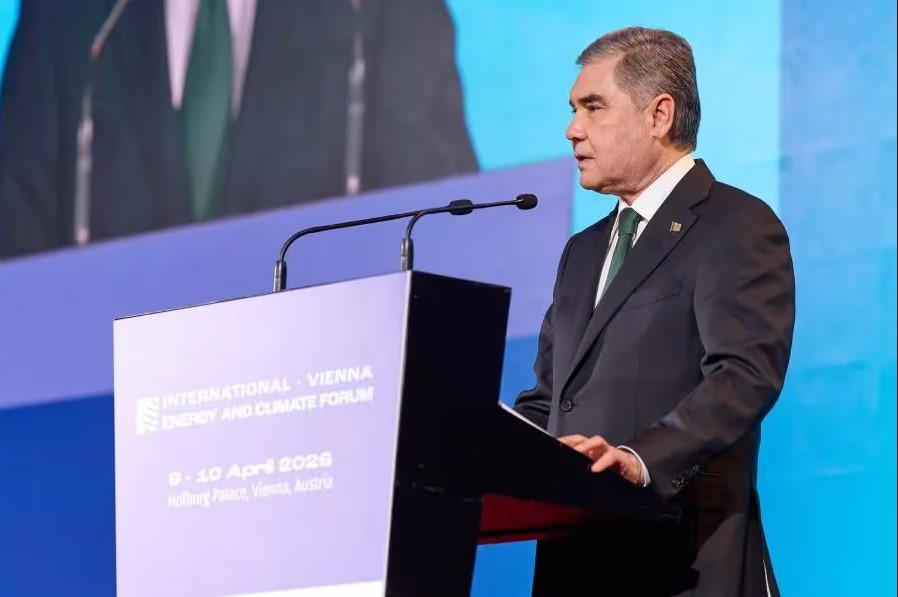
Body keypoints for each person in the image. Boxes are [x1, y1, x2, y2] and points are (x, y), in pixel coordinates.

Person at [513, 27, 795, 596]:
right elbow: (550, 400)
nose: (572, 129)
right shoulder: (582, 252)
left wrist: (639, 460)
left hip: (681, 560)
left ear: (659, 115)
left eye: (593, 107)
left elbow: (743, 376)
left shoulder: (735, 223)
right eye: (572, 109)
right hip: (575, 564)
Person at [0, 0, 478, 259]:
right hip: (107, 388)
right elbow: (15, 227)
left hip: (323, 378)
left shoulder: (380, 13)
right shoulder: (70, 16)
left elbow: (447, 229)